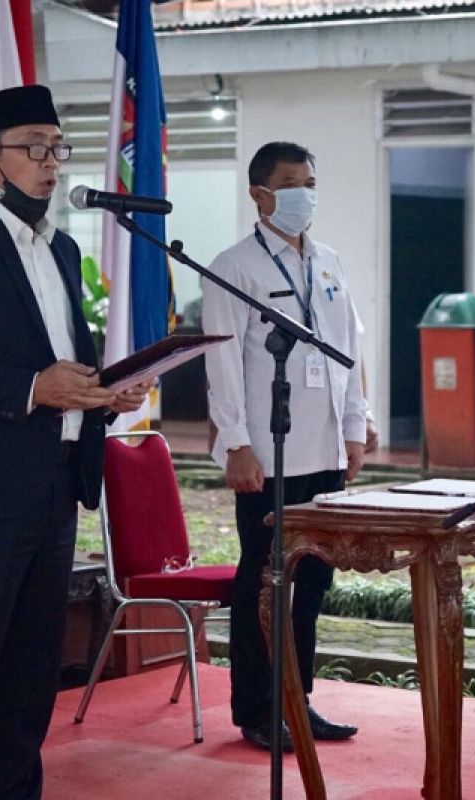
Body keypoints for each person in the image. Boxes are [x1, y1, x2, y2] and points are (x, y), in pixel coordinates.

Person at [0, 85, 147, 799]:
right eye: (34, 147)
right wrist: (32, 389)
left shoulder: (64, 249)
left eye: (57, 146)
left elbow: (63, 359)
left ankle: (15, 790)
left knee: (33, 665)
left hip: (56, 482)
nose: (51, 163)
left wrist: (107, 392)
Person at [203, 141, 365, 751]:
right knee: (265, 583)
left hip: (323, 450)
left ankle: (300, 703)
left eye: (311, 182)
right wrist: (236, 444)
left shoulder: (328, 262)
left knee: (314, 581)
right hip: (268, 457)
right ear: (260, 194)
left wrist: (354, 426)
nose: (306, 195)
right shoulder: (233, 265)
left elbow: (351, 349)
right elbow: (220, 363)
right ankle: (257, 710)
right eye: (292, 183)